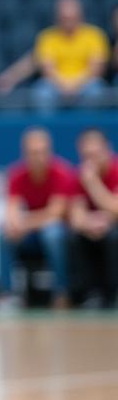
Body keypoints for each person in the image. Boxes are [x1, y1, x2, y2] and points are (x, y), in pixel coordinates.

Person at [0, 128, 73, 308]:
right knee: (4, 235)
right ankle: (8, 293)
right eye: (33, 152)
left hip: (59, 231)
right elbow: (12, 209)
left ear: (50, 151)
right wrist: (15, 225)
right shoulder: (16, 175)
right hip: (31, 233)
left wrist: (23, 224)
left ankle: (62, 291)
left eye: (42, 151)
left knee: (52, 233)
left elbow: (55, 213)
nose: (38, 157)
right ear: (24, 153)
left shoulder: (62, 172)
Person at [0, 0, 109, 109]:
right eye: (64, 18)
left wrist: (75, 86)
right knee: (42, 93)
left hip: (85, 84)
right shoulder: (48, 37)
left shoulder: (94, 35)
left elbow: (95, 69)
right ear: (57, 18)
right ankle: (47, 126)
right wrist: (64, 86)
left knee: (95, 91)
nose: (68, 22)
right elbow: (47, 69)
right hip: (55, 85)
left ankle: (90, 126)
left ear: (80, 16)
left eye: (72, 18)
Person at [69, 128, 118, 307]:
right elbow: (76, 216)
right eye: (86, 155)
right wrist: (90, 223)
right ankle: (90, 294)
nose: (90, 160)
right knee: (75, 237)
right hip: (93, 228)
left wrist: (92, 182)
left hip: (113, 227)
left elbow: (115, 208)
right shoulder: (78, 175)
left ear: (107, 150)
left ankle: (113, 294)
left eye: (95, 154)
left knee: (113, 237)